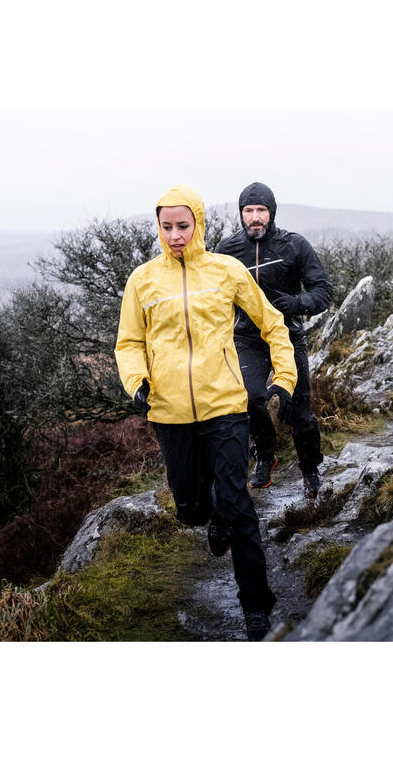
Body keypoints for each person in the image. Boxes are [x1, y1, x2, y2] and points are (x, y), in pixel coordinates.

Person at [114, 184, 297, 641]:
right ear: (158, 228)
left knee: (239, 508)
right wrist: (136, 381)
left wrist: (285, 377)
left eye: (183, 225)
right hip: (170, 413)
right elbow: (129, 343)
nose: (175, 235)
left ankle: (257, 607)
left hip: (224, 407)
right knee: (192, 510)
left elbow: (272, 322)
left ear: (198, 223)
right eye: (166, 226)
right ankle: (210, 514)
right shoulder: (143, 280)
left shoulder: (226, 270)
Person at [216, 182, 333, 498]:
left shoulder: (294, 246)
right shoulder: (226, 252)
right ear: (241, 213)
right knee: (250, 396)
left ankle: (310, 471)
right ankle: (265, 455)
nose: (255, 217)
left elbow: (324, 292)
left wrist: (297, 303)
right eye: (248, 210)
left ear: (272, 212)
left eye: (261, 210)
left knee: (298, 408)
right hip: (247, 338)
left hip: (289, 335)